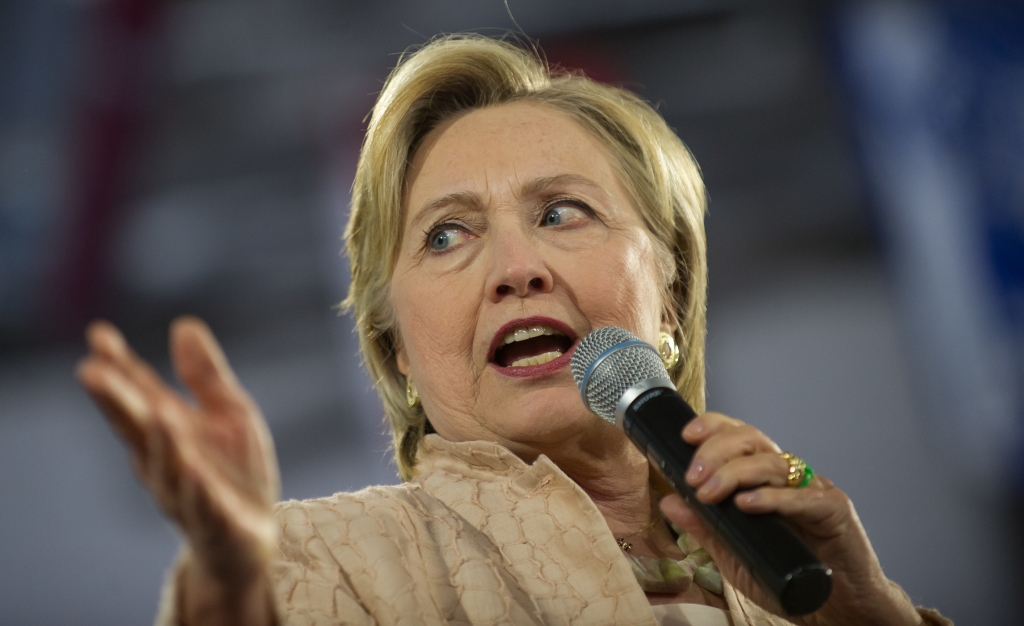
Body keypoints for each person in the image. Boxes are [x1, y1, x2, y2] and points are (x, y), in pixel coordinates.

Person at [77, 35, 951, 626]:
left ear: (673, 301)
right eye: (447, 235)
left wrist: (866, 611)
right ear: (396, 356)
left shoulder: (800, 564)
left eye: (563, 212)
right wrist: (234, 585)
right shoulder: (329, 565)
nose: (514, 268)